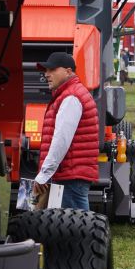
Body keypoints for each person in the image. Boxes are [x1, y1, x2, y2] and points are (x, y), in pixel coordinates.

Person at [33, 52, 99, 210]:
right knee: (70, 228)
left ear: (68, 71)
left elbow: (61, 140)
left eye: (52, 70)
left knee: (76, 230)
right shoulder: (69, 94)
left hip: (70, 176)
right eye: (46, 70)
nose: (46, 74)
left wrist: (44, 174)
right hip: (70, 174)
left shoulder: (71, 97)